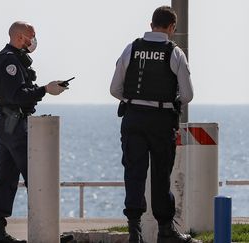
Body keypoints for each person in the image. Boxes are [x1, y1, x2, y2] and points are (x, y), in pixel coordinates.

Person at [110, 6, 194, 243]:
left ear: (151, 24)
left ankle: (134, 231)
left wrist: (135, 101)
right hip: (161, 121)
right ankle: (165, 231)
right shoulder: (175, 53)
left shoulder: (131, 48)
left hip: (133, 118)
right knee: (161, 176)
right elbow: (187, 95)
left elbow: (114, 89)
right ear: (172, 28)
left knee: (134, 173)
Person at [0, 21, 72, 243]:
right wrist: (45, 89)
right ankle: (46, 232)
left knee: (6, 177)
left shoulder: (8, 58)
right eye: (30, 35)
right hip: (15, 124)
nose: (34, 40)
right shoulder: (9, 60)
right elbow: (17, 95)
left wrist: (43, 89)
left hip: (8, 123)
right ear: (18, 37)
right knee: (37, 177)